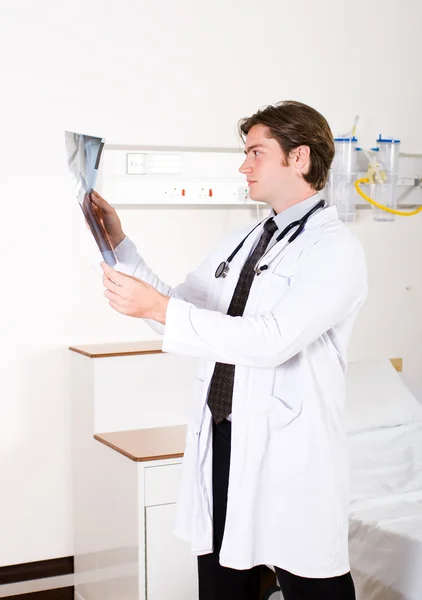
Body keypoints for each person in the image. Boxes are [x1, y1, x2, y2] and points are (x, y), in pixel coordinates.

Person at [91, 100, 367, 600]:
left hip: (288, 445)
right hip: (224, 434)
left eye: (256, 153)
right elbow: (184, 306)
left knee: (310, 579)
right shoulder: (244, 240)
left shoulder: (334, 249)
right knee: (221, 579)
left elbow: (271, 339)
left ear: (299, 157)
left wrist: (160, 310)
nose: (244, 166)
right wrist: (120, 243)